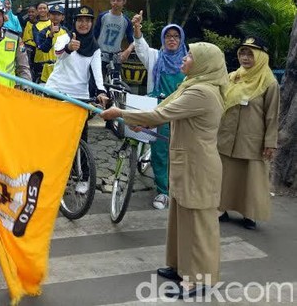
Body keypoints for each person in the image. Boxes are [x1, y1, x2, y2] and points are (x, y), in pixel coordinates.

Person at [101, 42, 228, 298]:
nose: (184, 58)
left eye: (190, 55)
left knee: (198, 223)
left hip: (199, 165)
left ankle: (199, 278)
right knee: (180, 218)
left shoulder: (202, 92)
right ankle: (180, 267)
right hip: (187, 161)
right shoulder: (190, 85)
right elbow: (160, 112)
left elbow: (162, 114)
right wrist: (140, 121)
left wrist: (122, 114)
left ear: (204, 64)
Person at [218, 36, 279, 230]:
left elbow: (272, 116)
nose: (245, 58)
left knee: (251, 179)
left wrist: (270, 142)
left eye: (250, 54)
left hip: (252, 140)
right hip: (227, 137)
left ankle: (249, 214)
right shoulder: (233, 76)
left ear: (261, 56)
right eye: (242, 53)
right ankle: (221, 208)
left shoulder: (269, 83)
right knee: (225, 175)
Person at [44, 6, 107, 193]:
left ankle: (83, 176)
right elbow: (57, 54)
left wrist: (101, 91)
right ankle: (52, 174)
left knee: (81, 137)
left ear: (91, 23)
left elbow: (97, 73)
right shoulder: (65, 37)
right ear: (75, 22)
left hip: (79, 96)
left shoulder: (95, 47)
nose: (84, 23)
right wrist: (69, 48)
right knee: (55, 137)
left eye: (88, 20)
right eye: (80, 20)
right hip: (57, 91)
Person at [131, 10, 187, 210]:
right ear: (163, 39)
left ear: (181, 39)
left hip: (182, 113)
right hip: (160, 113)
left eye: (176, 37)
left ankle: (179, 189)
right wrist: (137, 28)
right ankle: (163, 191)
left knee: (181, 152)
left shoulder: (188, 61)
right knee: (160, 152)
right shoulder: (155, 57)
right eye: (168, 37)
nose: (172, 40)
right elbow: (141, 47)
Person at [93, 0, 135, 71]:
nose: (115, 2)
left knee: (115, 82)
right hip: (100, 56)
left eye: (118, 0)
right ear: (110, 1)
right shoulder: (103, 16)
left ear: (124, 2)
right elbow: (94, 35)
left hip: (116, 58)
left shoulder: (126, 21)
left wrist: (127, 51)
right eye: (113, 0)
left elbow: (133, 41)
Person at [35, 4, 69, 83]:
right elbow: (43, 49)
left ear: (62, 17)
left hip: (62, 69)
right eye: (53, 14)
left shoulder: (66, 32)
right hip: (46, 69)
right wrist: (50, 36)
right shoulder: (42, 32)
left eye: (58, 14)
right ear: (49, 16)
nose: (55, 17)